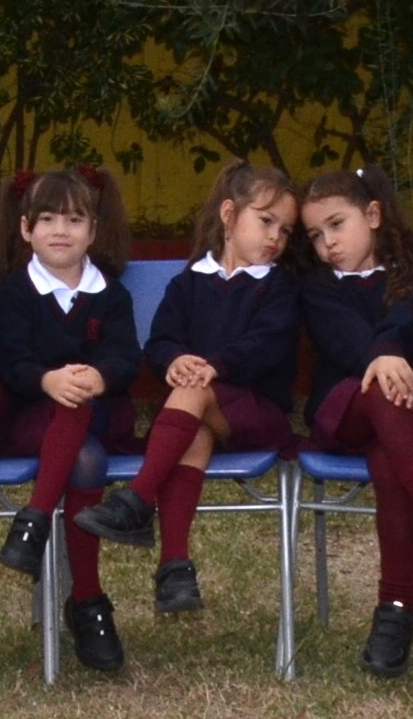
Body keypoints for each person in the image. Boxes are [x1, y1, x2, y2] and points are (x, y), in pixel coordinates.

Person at [75, 162, 301, 618]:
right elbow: (160, 341)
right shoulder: (188, 283)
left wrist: (213, 367)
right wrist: (175, 360)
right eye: (266, 221)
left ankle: (137, 499)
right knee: (191, 426)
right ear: (229, 215)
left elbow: (267, 347)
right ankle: (174, 567)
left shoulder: (279, 287)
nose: (276, 237)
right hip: (199, 416)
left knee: (192, 396)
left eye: (286, 229)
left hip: (258, 414)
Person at [294, 166, 413, 678]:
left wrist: (390, 352)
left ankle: (394, 613)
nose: (327, 243)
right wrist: (381, 360)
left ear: (372, 215)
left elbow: (410, 317)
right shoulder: (316, 286)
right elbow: (343, 338)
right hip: (344, 411)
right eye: (315, 235)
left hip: (408, 420)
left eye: (337, 225)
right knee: (377, 399)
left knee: (388, 454)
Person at [0, 167, 143, 673]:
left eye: (74, 219)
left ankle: (32, 525)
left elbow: (126, 358)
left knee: (84, 427)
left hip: (102, 416)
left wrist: (97, 377)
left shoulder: (112, 295)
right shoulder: (10, 293)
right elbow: (9, 361)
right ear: (26, 228)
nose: (60, 230)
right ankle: (90, 602)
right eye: (47, 218)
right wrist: (48, 381)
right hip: (34, 420)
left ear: (93, 231)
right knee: (85, 457)